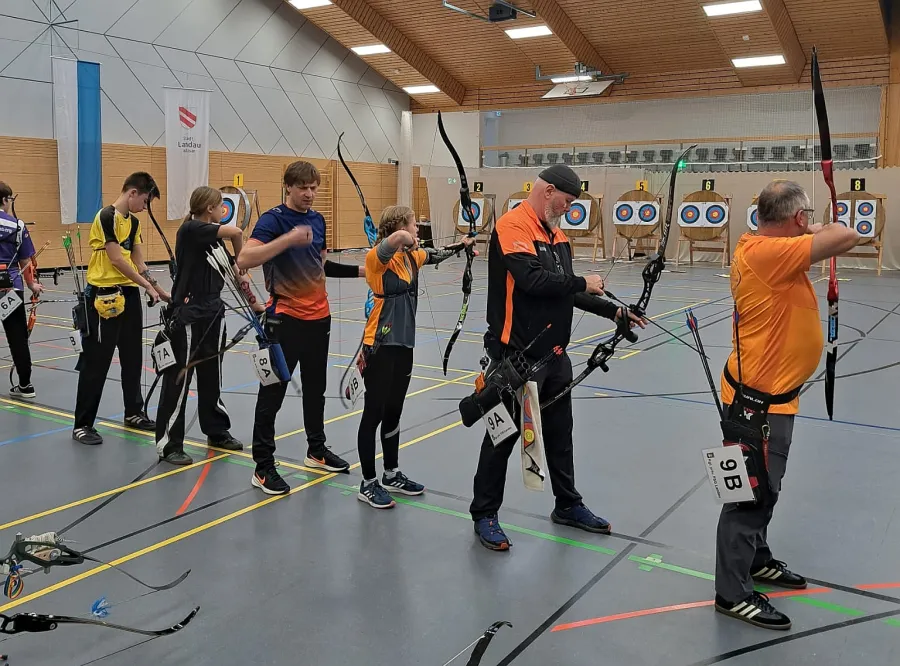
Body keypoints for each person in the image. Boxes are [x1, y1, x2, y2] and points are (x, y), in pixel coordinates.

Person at [468, 164, 645, 551]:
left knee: (560, 435)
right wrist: (584, 281)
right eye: (566, 201)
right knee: (502, 436)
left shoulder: (557, 235)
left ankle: (567, 504)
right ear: (547, 191)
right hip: (515, 357)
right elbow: (532, 281)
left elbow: (566, 291)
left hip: (554, 356)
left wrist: (613, 311)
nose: (568, 208)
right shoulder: (513, 226)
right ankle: (484, 513)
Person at [713, 180, 859, 630]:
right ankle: (732, 594)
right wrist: (815, 225)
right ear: (796, 218)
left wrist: (804, 225)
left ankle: (756, 559)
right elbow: (848, 235)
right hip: (756, 406)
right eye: (804, 217)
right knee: (749, 497)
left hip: (771, 400)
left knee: (765, 488)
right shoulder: (767, 254)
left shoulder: (761, 245)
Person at [237, 160, 365, 495]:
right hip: (285, 321)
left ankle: (316, 450)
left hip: (319, 319)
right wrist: (288, 239)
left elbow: (320, 265)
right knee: (273, 393)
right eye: (303, 188)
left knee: (315, 389)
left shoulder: (318, 220)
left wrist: (362, 272)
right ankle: (263, 467)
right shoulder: (274, 220)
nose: (309, 193)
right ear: (288, 187)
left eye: (313, 188)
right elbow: (245, 260)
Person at [355, 205, 476, 508]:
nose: (417, 229)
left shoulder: (411, 257)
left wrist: (462, 245)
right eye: (413, 224)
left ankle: (391, 473)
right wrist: (405, 237)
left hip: (404, 345)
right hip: (379, 345)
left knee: (394, 411)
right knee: (373, 413)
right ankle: (367, 482)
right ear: (399, 227)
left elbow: (434, 255)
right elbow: (394, 242)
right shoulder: (377, 259)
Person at [72, 172, 170, 446]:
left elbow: (139, 262)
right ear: (132, 193)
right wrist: (147, 286)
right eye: (145, 201)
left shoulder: (134, 223)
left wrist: (160, 291)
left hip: (128, 295)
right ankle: (83, 424)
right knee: (96, 362)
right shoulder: (106, 216)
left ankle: (134, 412)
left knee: (132, 357)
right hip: (104, 297)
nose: (145, 207)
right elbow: (116, 259)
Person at [154, 186, 250, 465]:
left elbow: (232, 271)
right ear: (210, 208)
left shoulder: (214, 240)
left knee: (211, 375)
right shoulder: (192, 229)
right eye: (220, 206)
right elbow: (237, 233)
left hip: (213, 312)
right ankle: (169, 443)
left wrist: (252, 298)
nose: (222, 210)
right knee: (179, 379)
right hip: (189, 314)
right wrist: (243, 260)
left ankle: (216, 430)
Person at [0, 182, 43, 399]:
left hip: (10, 287)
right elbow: (25, 261)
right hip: (10, 288)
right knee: (17, 337)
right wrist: (32, 284)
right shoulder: (17, 225)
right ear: (5, 200)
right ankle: (25, 385)